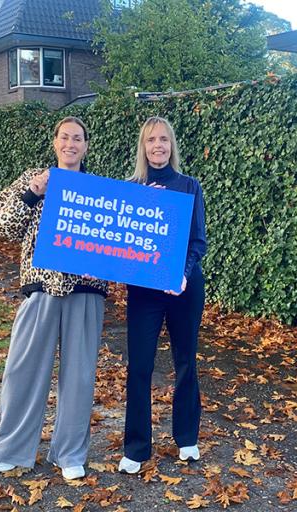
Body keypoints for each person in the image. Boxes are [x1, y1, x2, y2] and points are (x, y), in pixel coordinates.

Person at [0, 117, 108, 481]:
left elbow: (116, 244)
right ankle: (8, 451)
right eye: (65, 137)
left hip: (85, 292)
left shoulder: (99, 189)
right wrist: (33, 193)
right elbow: (4, 226)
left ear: (86, 146)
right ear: (55, 142)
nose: (70, 144)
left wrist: (101, 261)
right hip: (41, 286)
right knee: (22, 370)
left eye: (78, 138)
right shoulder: (33, 178)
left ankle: (70, 453)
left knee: (79, 375)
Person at [119, 116, 207, 474]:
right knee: (139, 366)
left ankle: (187, 438)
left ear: (172, 146)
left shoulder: (189, 186)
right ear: (143, 147)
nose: (158, 145)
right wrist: (142, 203)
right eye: (151, 140)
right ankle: (136, 448)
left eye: (164, 140)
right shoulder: (131, 188)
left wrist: (182, 275)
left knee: (186, 362)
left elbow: (197, 240)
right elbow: (122, 245)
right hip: (144, 292)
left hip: (183, 288)